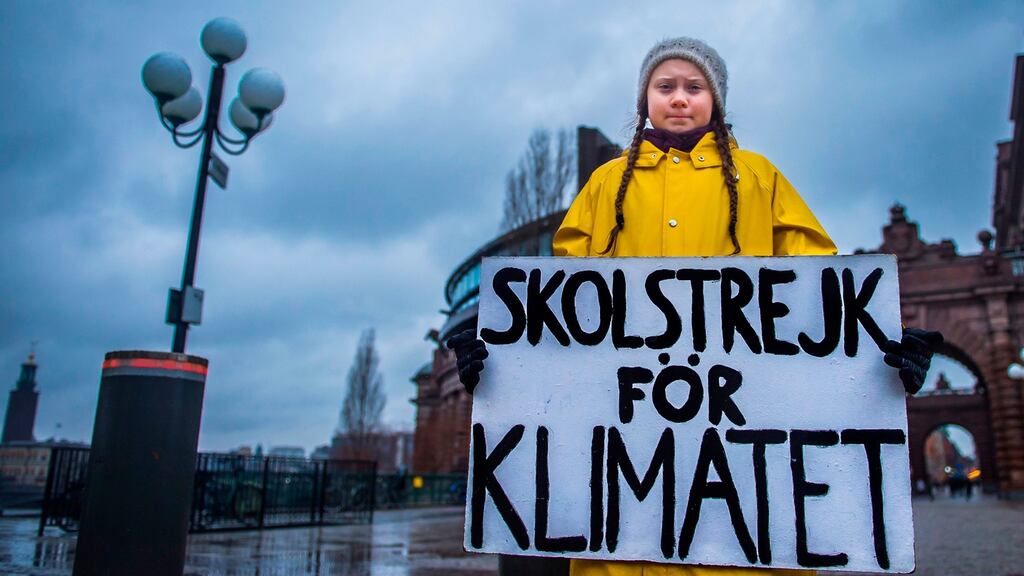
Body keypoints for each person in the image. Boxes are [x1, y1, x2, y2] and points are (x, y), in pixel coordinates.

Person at [448, 37, 942, 576]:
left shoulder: (761, 179)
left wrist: (876, 356)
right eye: (665, 86)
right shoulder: (605, 186)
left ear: (717, 100)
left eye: (694, 86)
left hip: (744, 520)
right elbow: (563, 320)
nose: (679, 98)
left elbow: (815, 298)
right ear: (644, 100)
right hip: (621, 532)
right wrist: (504, 363)